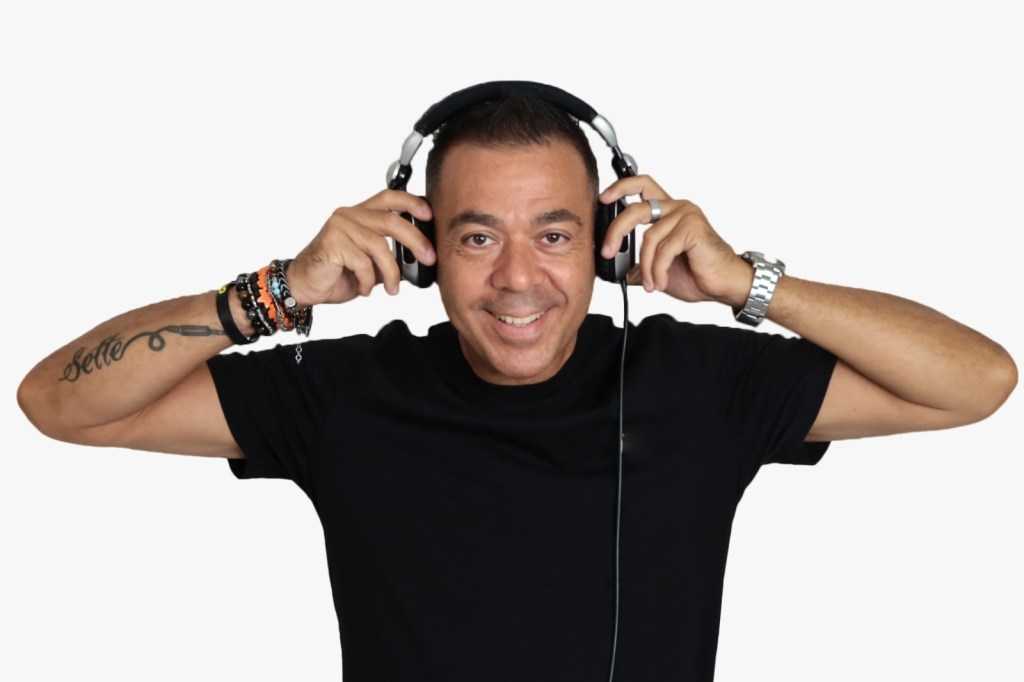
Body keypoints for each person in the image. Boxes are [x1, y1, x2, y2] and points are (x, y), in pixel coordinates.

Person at [17, 84, 1017, 681]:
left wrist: (744, 283)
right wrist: (278, 291)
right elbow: (58, 402)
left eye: (554, 234)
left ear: (609, 244)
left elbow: (976, 381)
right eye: (476, 237)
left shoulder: (700, 381)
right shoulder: (343, 393)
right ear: (420, 251)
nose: (517, 279)